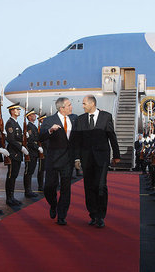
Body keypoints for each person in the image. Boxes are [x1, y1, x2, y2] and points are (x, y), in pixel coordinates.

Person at [74, 95, 120, 228]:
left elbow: (112, 136)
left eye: (84, 104)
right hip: (86, 158)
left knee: (100, 186)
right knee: (88, 187)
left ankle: (101, 216)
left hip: (102, 158)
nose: (82, 106)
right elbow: (77, 140)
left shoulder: (106, 116)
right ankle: (93, 214)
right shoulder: (80, 119)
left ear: (92, 103)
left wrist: (116, 155)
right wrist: (77, 157)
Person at [39, 97, 77, 225]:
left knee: (66, 189)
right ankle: (53, 204)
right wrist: (50, 130)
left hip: (68, 160)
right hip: (53, 159)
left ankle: (62, 215)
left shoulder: (74, 118)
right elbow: (41, 136)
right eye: (69, 105)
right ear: (62, 108)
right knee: (49, 187)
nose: (71, 107)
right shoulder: (49, 120)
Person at [5, 102, 29, 206]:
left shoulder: (16, 123)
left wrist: (24, 136)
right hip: (13, 152)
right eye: (17, 109)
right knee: (11, 176)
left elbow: (18, 137)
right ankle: (9, 198)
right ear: (12, 111)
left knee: (14, 176)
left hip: (17, 152)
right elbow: (11, 139)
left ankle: (12, 196)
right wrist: (21, 148)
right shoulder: (10, 123)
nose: (19, 111)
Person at [25, 108, 41, 198]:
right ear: (29, 117)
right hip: (31, 152)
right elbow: (31, 141)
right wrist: (38, 147)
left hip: (34, 152)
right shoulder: (29, 127)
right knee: (28, 172)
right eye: (33, 115)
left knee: (31, 171)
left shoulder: (34, 126)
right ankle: (27, 191)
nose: (35, 116)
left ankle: (29, 190)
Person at [37, 113, 47, 191]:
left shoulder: (46, 129)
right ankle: (40, 186)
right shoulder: (39, 129)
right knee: (41, 169)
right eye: (43, 120)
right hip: (42, 152)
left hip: (48, 151)